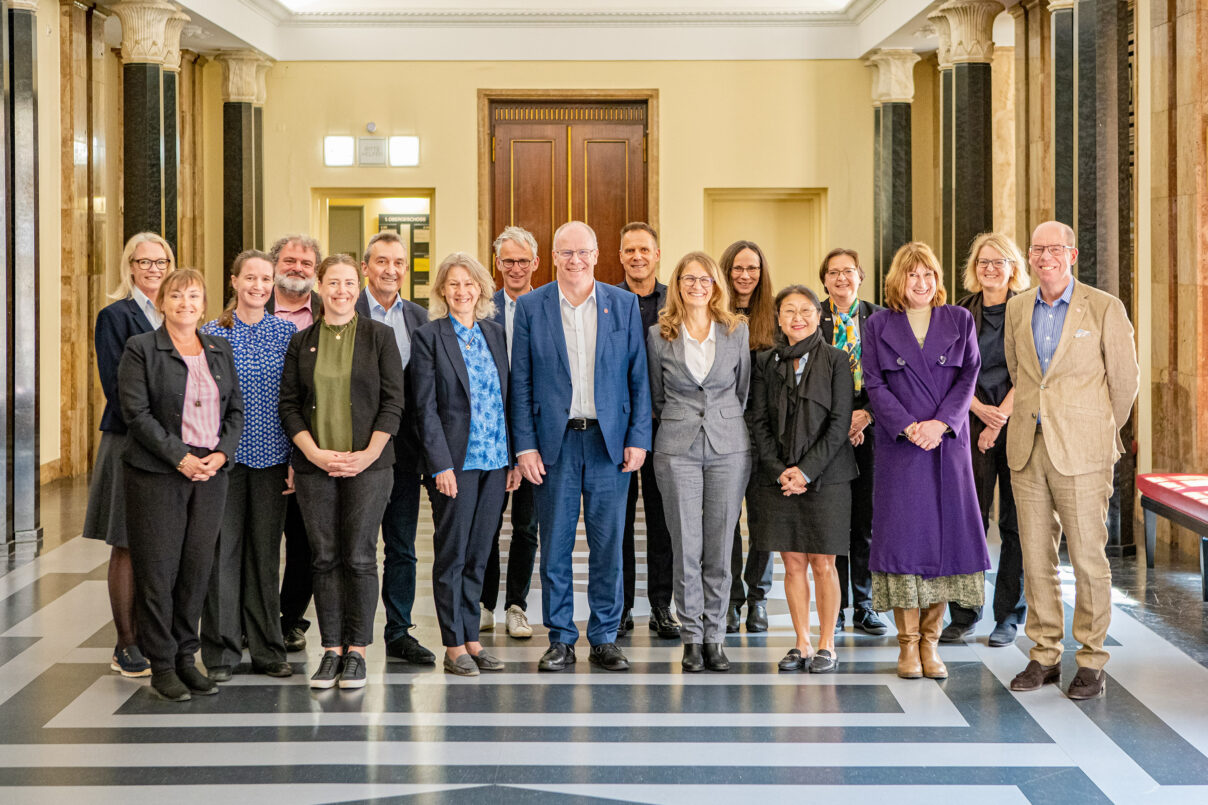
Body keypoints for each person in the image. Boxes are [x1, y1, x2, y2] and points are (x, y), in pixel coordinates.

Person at [1005, 221, 1139, 700]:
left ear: (1073, 254)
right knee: (1036, 556)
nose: (1046, 257)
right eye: (1037, 249)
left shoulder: (1104, 307)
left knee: (1086, 557)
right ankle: (1043, 654)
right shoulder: (1018, 307)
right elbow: (1022, 373)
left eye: (1055, 249)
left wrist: (1099, 430)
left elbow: (1124, 384)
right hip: (1027, 448)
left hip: (1083, 451)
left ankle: (1090, 659)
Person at [511, 220, 652, 673]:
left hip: (609, 444)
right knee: (553, 545)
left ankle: (605, 636)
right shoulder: (532, 307)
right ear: (552, 257)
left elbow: (638, 377)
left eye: (583, 252)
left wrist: (638, 438)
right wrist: (525, 447)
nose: (575, 260)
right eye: (566, 252)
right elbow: (522, 381)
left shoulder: (623, 304)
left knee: (609, 544)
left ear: (596, 254)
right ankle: (561, 638)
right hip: (555, 444)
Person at [862, 241, 989, 681]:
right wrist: (909, 426)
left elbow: (970, 374)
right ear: (899, 279)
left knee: (945, 542)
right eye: (913, 275)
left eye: (929, 274)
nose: (922, 282)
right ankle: (907, 645)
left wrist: (941, 424)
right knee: (902, 545)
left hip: (947, 445)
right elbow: (874, 383)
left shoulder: (960, 319)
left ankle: (931, 645)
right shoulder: (878, 324)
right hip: (901, 447)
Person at [278, 254, 405, 690]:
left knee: (360, 556)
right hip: (316, 468)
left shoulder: (380, 336)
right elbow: (289, 406)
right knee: (325, 556)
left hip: (369, 467)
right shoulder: (302, 341)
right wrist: (312, 454)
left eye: (349, 283)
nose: (342, 291)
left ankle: (358, 653)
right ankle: (331, 650)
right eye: (333, 283)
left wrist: (368, 454)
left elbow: (393, 403)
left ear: (359, 284)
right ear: (320, 285)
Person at [118, 269, 244, 701]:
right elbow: (136, 415)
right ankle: (163, 665)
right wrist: (181, 457)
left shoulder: (219, 348)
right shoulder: (141, 349)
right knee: (159, 571)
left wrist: (221, 454)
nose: (185, 303)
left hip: (211, 474)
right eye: (176, 295)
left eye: (193, 296)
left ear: (204, 304)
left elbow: (235, 413)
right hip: (158, 475)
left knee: (196, 569)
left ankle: (188, 658)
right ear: (162, 302)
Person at [412, 253, 520, 676]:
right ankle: (452, 643)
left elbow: (506, 398)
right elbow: (425, 410)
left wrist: (511, 458)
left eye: (469, 284)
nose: (461, 291)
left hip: (494, 461)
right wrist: (439, 465)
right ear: (442, 290)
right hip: (455, 465)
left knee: (479, 554)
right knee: (452, 554)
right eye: (453, 284)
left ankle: (473, 639)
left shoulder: (495, 334)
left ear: (481, 289)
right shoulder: (429, 337)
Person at [647, 252, 750, 672]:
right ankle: (691, 637)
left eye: (704, 279)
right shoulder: (659, 334)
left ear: (716, 285)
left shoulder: (735, 331)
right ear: (677, 284)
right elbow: (657, 395)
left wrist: (723, 421)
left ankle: (716, 636)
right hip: (677, 447)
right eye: (688, 279)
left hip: (729, 446)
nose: (697, 286)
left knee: (720, 544)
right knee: (686, 544)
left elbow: (741, 391)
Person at [747, 285, 857, 674]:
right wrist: (781, 471)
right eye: (789, 311)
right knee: (792, 564)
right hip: (777, 479)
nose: (798, 317)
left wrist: (806, 472)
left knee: (823, 563)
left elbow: (839, 423)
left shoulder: (837, 360)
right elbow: (756, 422)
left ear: (818, 315)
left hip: (827, 477)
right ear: (778, 318)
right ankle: (801, 642)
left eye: (806, 310)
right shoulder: (764, 362)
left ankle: (827, 644)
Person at [199, 250, 297, 681]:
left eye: (265, 279)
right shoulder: (210, 334)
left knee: (264, 555)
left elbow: (295, 400)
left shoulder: (286, 332)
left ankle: (268, 649)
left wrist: (297, 458)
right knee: (223, 553)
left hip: (274, 459)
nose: (258, 286)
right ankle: (220, 653)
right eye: (250, 278)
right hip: (225, 461)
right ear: (234, 281)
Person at [83, 232, 175, 679]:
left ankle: (158, 637)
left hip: (175, 447)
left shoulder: (179, 312)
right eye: (145, 262)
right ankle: (125, 643)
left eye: (162, 261)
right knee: (127, 542)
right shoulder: (114, 316)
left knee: (160, 545)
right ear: (130, 266)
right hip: (130, 440)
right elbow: (118, 387)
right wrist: (160, 433)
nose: (154, 269)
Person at [940, 233, 1030, 648]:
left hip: (1018, 423)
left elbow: (1033, 370)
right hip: (968, 422)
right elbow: (950, 374)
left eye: (999, 262)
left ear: (1014, 268)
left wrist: (1000, 418)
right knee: (968, 521)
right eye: (982, 262)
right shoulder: (959, 314)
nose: (990, 269)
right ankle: (963, 613)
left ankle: (1008, 616)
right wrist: (978, 411)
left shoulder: (1027, 312)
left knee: (1014, 524)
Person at [353, 231, 436, 666]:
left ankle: (398, 631)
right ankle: (353, 637)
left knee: (401, 545)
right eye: (381, 261)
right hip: (359, 449)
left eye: (398, 262)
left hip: (405, 452)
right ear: (365, 267)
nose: (390, 270)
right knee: (357, 545)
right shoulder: (349, 311)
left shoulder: (419, 317)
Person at [818, 249, 889, 638]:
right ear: (824, 279)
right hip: (828, 432)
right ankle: (836, 606)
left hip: (871, 426)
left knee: (865, 519)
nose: (841, 278)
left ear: (861, 276)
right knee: (834, 520)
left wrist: (868, 415)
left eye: (848, 271)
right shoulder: (813, 317)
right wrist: (840, 421)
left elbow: (895, 377)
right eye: (833, 272)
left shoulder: (880, 318)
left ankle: (863, 603)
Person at [617, 222, 680, 640]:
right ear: (620, 256)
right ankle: (619, 607)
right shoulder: (607, 301)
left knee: (662, 521)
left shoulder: (674, 302)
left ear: (657, 255)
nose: (637, 257)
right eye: (629, 251)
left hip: (665, 427)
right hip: (617, 428)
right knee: (618, 521)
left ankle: (661, 606)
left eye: (644, 250)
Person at [483, 226, 541, 639]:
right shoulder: (483, 310)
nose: (516, 268)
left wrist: (526, 447)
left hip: (536, 438)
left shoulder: (548, 307)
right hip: (489, 436)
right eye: (508, 261)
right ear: (497, 264)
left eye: (523, 260)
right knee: (486, 523)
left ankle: (516, 605)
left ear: (536, 263)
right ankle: (485, 603)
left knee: (526, 526)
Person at [267, 234, 323, 654]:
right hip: (257, 447)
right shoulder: (247, 308)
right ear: (274, 264)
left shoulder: (331, 312)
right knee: (258, 540)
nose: (298, 268)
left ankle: (291, 620)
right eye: (290, 260)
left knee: (305, 543)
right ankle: (255, 617)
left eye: (307, 263)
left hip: (312, 447)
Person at [720, 240, 776, 633]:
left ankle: (757, 597)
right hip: (724, 432)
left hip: (765, 434)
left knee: (762, 522)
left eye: (752, 268)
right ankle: (730, 600)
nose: (744, 275)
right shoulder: (713, 315)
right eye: (738, 268)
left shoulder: (774, 318)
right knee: (725, 521)